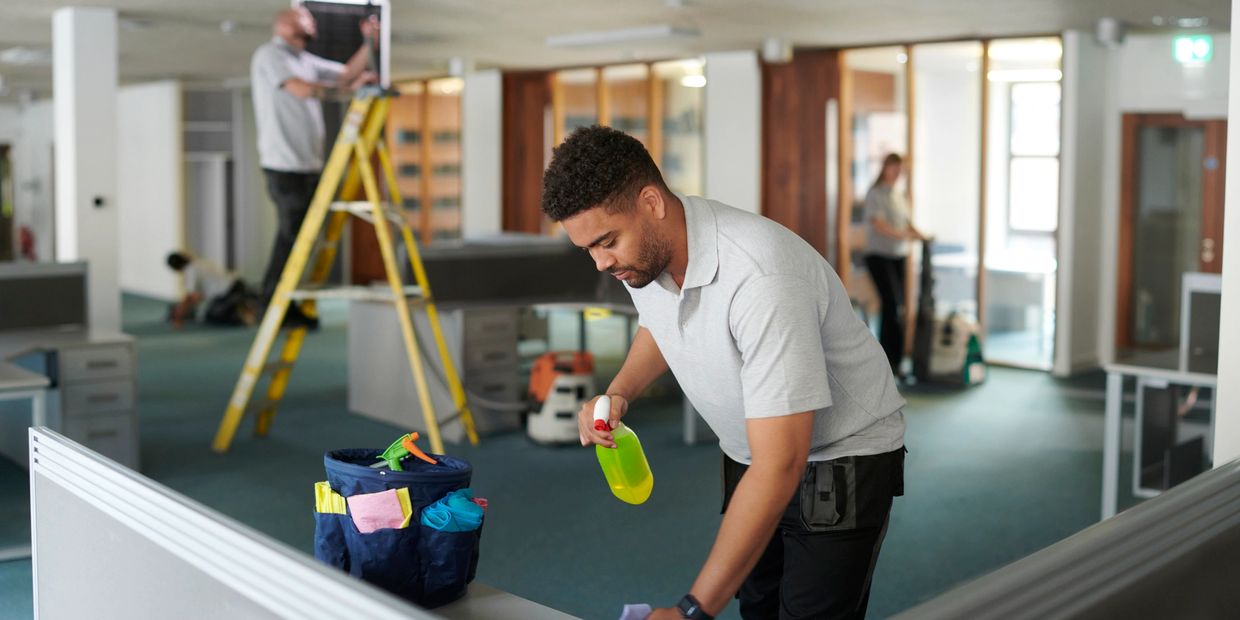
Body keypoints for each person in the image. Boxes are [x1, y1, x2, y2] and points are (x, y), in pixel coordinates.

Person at [542, 126, 907, 620]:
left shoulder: (760, 276)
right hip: (750, 452)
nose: (601, 262)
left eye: (607, 242)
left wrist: (692, 611)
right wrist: (620, 392)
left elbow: (781, 464)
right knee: (758, 607)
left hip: (841, 454)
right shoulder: (645, 255)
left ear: (651, 202)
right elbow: (659, 322)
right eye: (588, 248)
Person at [251, 6, 378, 329]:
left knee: (303, 238)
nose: (310, 19)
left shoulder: (305, 60)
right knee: (292, 236)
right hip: (284, 165)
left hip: (308, 164)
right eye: (303, 16)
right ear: (283, 23)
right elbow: (302, 90)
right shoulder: (270, 55)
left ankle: (286, 303)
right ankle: (271, 305)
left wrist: (370, 42)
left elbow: (345, 74)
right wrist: (351, 90)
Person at [863, 154, 926, 376]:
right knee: (891, 305)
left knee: (898, 306)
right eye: (894, 168)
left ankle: (897, 360)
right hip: (879, 256)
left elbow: (907, 223)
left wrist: (920, 235)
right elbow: (878, 224)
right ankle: (887, 360)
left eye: (901, 169)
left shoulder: (899, 195)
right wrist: (902, 235)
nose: (898, 173)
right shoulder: (875, 194)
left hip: (898, 256)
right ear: (886, 168)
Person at [165, 251, 258, 328]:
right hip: (237, 284)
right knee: (214, 309)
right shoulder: (200, 262)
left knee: (212, 316)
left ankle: (244, 317)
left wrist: (178, 314)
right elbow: (198, 296)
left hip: (228, 291)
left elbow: (190, 296)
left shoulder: (191, 270)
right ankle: (243, 307)